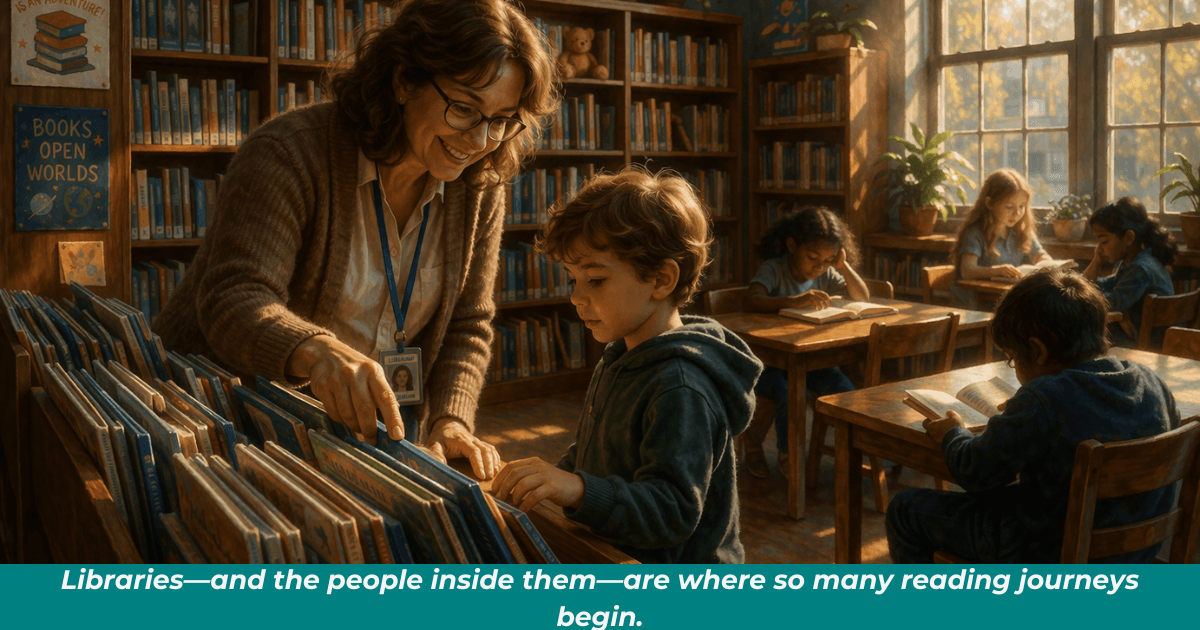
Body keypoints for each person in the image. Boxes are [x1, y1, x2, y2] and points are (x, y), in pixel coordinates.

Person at [153, 0, 558, 479]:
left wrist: (451, 419)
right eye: (465, 108)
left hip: (359, 434)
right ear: (404, 80)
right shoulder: (290, 152)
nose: (480, 139)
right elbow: (234, 297)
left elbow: (468, 323)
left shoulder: (480, 187)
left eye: (503, 119)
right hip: (220, 420)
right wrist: (316, 351)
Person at [492, 168, 763, 564]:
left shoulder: (682, 386)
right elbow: (603, 453)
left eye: (596, 280)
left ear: (661, 279)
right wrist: (554, 478)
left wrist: (577, 489)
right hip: (614, 552)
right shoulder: (622, 354)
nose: (576, 297)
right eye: (573, 280)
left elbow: (672, 511)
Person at [887, 268, 1180, 563]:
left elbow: (977, 473)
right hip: (1135, 548)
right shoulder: (1152, 382)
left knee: (906, 509)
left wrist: (954, 432)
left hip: (1048, 550)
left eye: (1013, 358)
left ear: (1037, 351)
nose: (1014, 369)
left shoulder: (1043, 399)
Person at [740, 206, 866, 478]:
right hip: (769, 365)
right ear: (792, 245)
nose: (819, 266)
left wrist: (842, 266)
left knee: (846, 390)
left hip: (809, 361)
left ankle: (850, 458)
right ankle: (789, 455)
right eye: (812, 257)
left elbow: (862, 297)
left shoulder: (825, 272)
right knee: (788, 393)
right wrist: (790, 301)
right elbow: (751, 298)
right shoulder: (774, 269)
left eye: (828, 259)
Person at [1081, 196, 1177, 348]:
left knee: (1082, 336)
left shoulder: (1141, 268)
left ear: (1128, 238)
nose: (1099, 249)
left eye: (1104, 241)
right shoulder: (1135, 262)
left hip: (1145, 345)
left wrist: (1119, 313)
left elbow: (1109, 304)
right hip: (1137, 337)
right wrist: (1096, 262)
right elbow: (1095, 285)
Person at [949, 168, 1051, 308]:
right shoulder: (975, 233)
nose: (1017, 213)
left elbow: (1039, 255)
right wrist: (998, 270)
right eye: (1009, 207)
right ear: (990, 203)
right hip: (978, 304)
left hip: (1006, 300)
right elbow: (967, 271)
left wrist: (1046, 263)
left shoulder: (1021, 231)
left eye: (1022, 206)